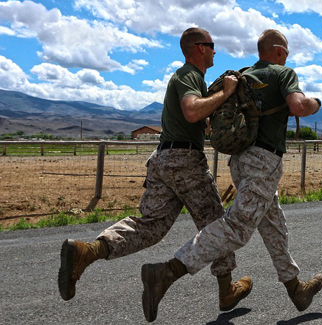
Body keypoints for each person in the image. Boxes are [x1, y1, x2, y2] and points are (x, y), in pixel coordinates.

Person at [57, 27, 251, 312]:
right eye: (211, 45)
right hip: (183, 161)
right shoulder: (189, 75)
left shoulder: (190, 79)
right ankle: (226, 290)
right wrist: (226, 92)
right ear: (199, 48)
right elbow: (192, 111)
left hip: (163, 159)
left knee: (150, 226)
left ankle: (88, 252)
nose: (214, 50)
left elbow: (196, 118)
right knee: (216, 224)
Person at [139, 29, 322, 322]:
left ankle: (295, 287)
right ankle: (167, 270)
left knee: (273, 222)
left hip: (240, 161)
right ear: (277, 51)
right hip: (263, 162)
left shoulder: (244, 75)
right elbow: (298, 106)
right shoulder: (283, 73)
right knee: (237, 227)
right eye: (286, 51)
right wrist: (315, 102)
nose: (288, 56)